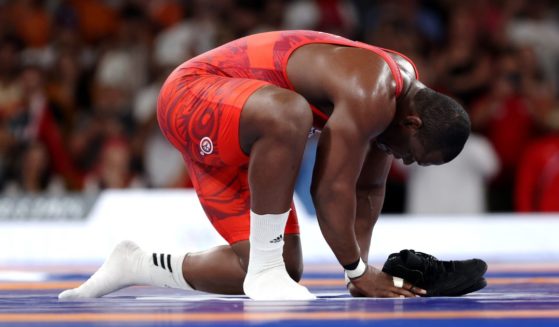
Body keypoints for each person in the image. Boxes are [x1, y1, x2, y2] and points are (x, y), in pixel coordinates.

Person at [59, 30, 470, 301]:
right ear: (413, 122)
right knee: (290, 113)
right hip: (192, 95)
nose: (405, 161)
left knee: (284, 269)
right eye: (413, 154)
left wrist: (357, 276)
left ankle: (136, 263)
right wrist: (358, 269)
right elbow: (329, 190)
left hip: (241, 135)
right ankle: (265, 269)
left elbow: (367, 189)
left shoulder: (397, 103)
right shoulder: (373, 90)